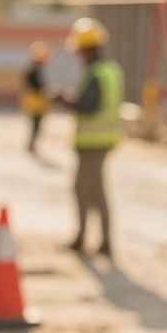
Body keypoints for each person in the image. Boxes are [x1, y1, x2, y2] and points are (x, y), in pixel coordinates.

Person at [56, 17, 123, 258]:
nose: (79, 55)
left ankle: (86, 239)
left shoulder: (96, 73)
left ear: (89, 49)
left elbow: (89, 105)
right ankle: (100, 241)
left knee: (84, 189)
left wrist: (66, 100)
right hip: (103, 140)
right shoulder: (110, 70)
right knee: (96, 190)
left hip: (93, 142)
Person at [21, 40, 50, 153]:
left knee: (36, 125)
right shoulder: (33, 71)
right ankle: (31, 145)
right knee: (35, 125)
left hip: (35, 102)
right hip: (35, 103)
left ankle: (32, 144)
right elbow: (37, 86)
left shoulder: (35, 69)